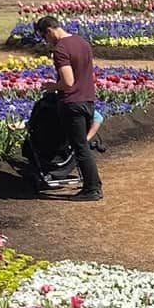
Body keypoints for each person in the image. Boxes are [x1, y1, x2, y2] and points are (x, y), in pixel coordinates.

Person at [32, 15, 101, 200]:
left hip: (72, 103)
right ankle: (92, 185)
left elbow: (68, 82)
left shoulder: (61, 49)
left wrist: (51, 86)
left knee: (80, 147)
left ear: (49, 31)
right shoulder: (82, 42)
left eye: (45, 37)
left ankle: (92, 189)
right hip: (88, 99)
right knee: (82, 146)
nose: (47, 41)